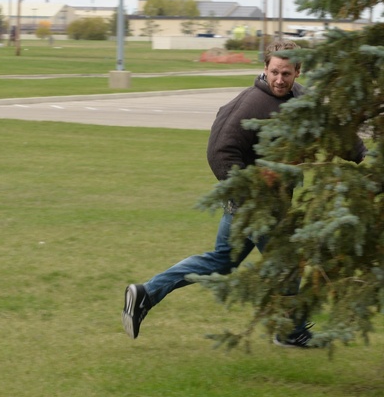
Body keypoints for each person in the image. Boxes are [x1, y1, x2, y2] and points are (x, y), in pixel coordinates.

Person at [121, 41, 365, 347]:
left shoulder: (302, 98)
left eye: (286, 73)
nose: (279, 79)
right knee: (287, 263)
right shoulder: (250, 105)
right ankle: (291, 332)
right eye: (274, 72)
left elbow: (330, 128)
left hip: (266, 205)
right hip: (254, 206)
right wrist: (249, 193)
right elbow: (220, 151)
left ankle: (146, 293)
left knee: (222, 261)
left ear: (298, 72)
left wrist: (361, 155)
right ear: (264, 68)